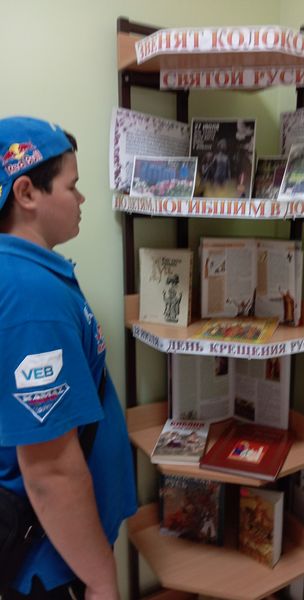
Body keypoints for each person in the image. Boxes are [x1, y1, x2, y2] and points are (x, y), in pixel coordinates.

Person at [0, 116, 137, 599]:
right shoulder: (31, 296)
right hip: (50, 564)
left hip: (57, 550)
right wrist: (101, 580)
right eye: (71, 185)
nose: (81, 199)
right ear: (26, 193)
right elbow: (50, 471)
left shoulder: (25, 276)